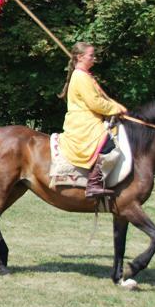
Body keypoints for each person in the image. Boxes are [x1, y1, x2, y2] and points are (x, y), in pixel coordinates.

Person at [57, 42, 127, 198]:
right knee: (107, 141)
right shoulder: (81, 77)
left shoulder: (84, 75)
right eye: (91, 55)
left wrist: (116, 106)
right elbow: (94, 102)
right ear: (80, 57)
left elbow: (100, 99)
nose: (94, 58)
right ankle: (93, 184)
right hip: (84, 122)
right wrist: (115, 109)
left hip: (89, 119)